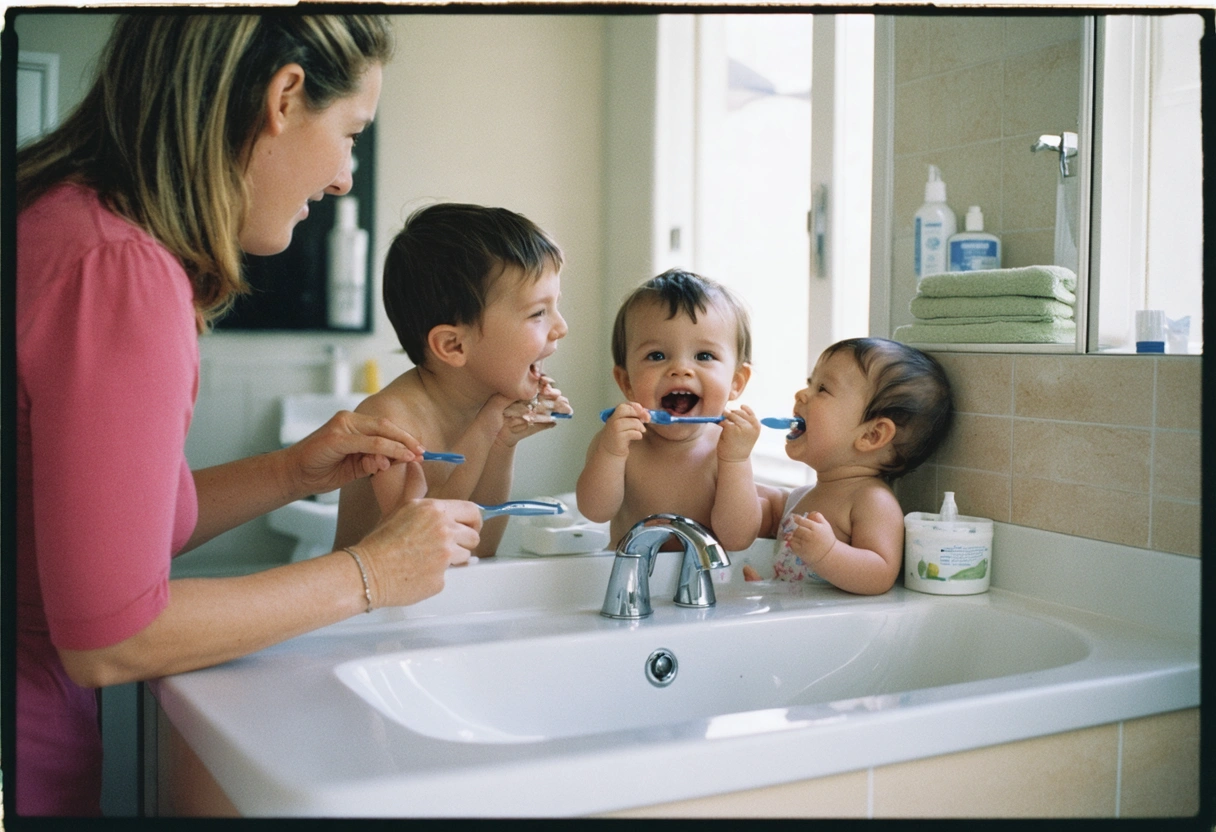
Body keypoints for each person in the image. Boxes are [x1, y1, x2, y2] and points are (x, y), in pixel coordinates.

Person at [15, 15, 484, 816]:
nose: (344, 177)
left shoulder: (58, 220)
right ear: (285, 96)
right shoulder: (122, 269)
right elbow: (111, 635)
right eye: (351, 133)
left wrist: (292, 468)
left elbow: (80, 536)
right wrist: (372, 575)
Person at [333, 202, 571, 557]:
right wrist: (488, 425)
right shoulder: (387, 423)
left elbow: (481, 546)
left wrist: (503, 442)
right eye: (538, 313)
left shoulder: (485, 406)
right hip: (365, 610)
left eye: (555, 307)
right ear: (454, 345)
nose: (561, 327)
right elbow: (420, 547)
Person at [744, 337, 953, 595]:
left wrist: (828, 553)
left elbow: (880, 573)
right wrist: (768, 589)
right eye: (811, 382)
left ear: (871, 436)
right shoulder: (804, 495)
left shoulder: (873, 501)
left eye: (823, 388)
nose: (802, 393)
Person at [576, 269, 762, 551]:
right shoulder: (621, 442)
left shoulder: (726, 449)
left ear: (736, 382)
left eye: (704, 356)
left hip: (704, 588)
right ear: (626, 381)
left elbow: (738, 539)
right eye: (657, 356)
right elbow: (594, 511)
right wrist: (611, 452)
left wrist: (736, 461)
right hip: (631, 585)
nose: (680, 369)